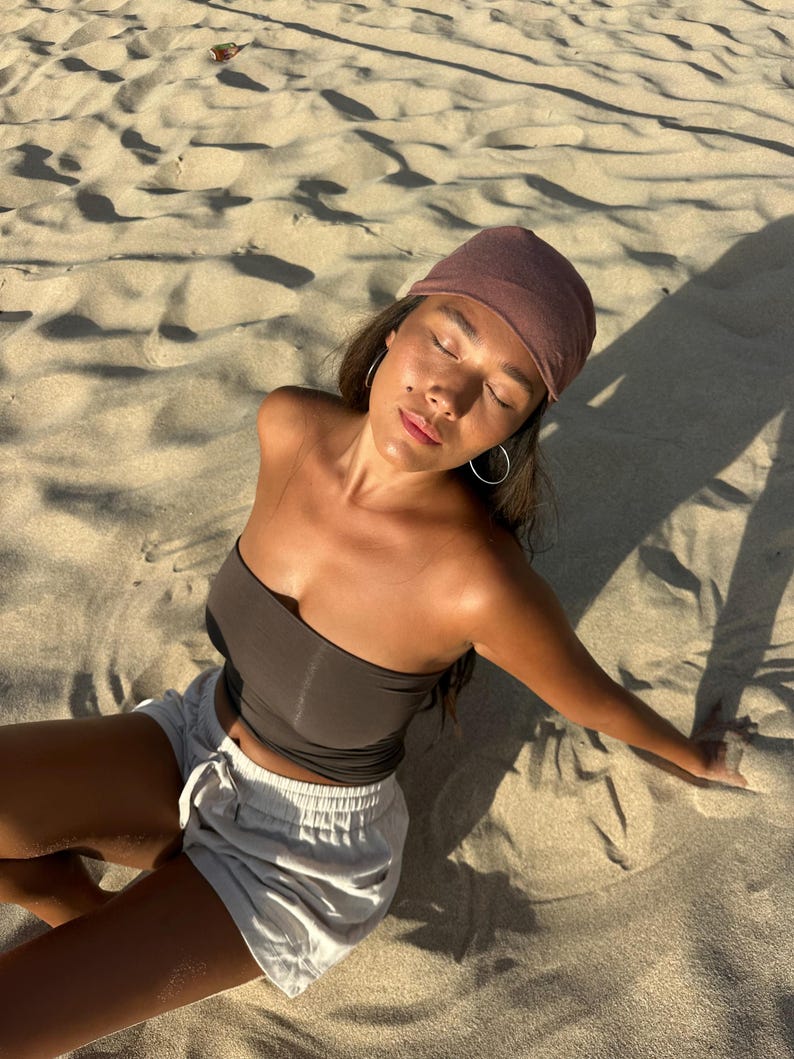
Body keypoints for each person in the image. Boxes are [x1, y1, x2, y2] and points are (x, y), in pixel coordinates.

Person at [0, 227, 750, 1058]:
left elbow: (591, 695)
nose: (447, 397)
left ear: (517, 427)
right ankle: (117, 931)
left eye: (501, 391)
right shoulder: (288, 424)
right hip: (191, 737)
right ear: (397, 325)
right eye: (446, 340)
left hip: (295, 854)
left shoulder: (476, 580)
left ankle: (141, 938)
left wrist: (696, 756)